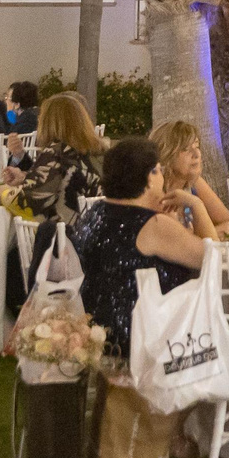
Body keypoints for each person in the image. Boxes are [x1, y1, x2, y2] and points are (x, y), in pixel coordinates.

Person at [68, 137, 209, 361]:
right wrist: (196, 204)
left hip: (94, 331)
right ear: (150, 177)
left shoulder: (95, 212)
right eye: (159, 170)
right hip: (147, 338)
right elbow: (212, 258)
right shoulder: (152, 225)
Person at [15, 91, 111, 222]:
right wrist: (25, 177)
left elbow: (26, 201)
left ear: (48, 123)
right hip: (100, 226)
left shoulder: (58, 152)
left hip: (67, 231)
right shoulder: (102, 151)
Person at [149, 118, 229, 235]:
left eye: (197, 146)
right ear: (166, 153)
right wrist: (207, 235)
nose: (196, 154)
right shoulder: (154, 190)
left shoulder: (194, 183)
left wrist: (205, 235)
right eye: (185, 149)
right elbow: (174, 240)